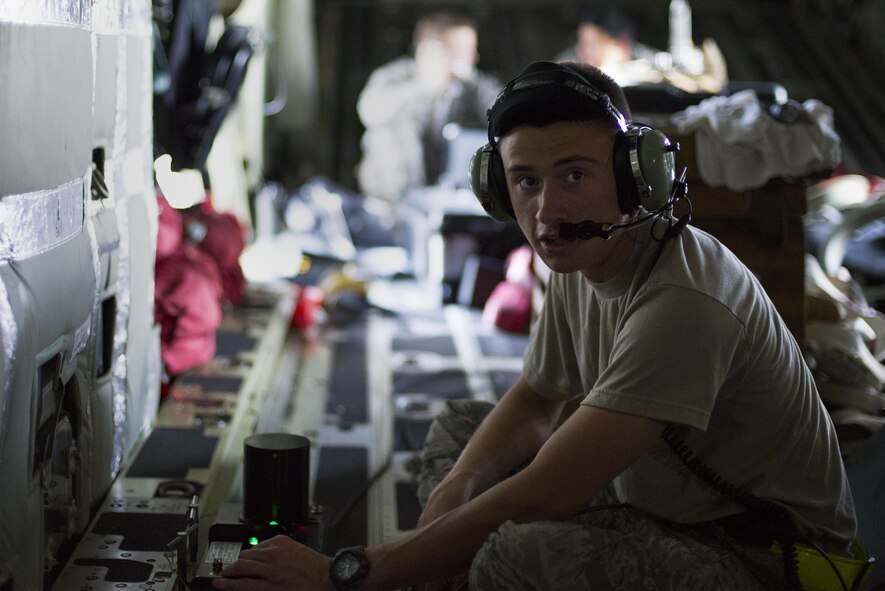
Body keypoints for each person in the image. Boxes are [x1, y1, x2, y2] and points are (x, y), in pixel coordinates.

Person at [214, 61, 862, 591]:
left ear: (636, 177)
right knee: (459, 434)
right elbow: (532, 400)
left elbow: (548, 493)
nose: (546, 209)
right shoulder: (579, 258)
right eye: (524, 181)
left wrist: (346, 573)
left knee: (516, 552)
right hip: (663, 499)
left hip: (767, 556)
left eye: (574, 175)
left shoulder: (685, 299)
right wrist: (452, 498)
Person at [355, 12, 500, 203]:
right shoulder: (396, 75)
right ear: (429, 49)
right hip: (394, 198)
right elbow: (369, 112)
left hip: (450, 192)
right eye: (462, 49)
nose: (473, 57)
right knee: (384, 131)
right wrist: (422, 85)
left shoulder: (474, 85)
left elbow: (502, 112)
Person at [554, 6, 657, 87]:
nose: (584, 51)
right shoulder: (567, 63)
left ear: (621, 45)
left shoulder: (651, 68)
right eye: (581, 43)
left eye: (594, 45)